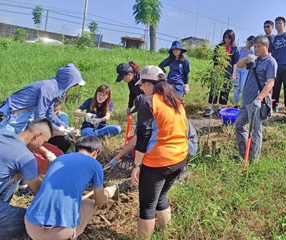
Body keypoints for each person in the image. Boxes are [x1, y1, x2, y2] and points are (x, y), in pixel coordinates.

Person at [130, 65, 188, 239]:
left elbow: (143, 136)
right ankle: (166, 233)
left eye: (142, 85)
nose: (141, 88)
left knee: (147, 205)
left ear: (149, 84)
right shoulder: (175, 100)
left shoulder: (149, 102)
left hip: (159, 161)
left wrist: (137, 165)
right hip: (180, 158)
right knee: (160, 196)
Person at [24, 136, 118, 240]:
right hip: (60, 234)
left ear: (74, 150)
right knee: (89, 204)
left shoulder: (59, 159)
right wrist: (107, 192)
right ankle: (71, 235)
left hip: (31, 226)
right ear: (96, 152)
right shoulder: (95, 165)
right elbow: (99, 202)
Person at [0, 118, 53, 239]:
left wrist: (21, 171)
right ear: (38, 135)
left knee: (16, 177)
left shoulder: (3, 132)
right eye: (43, 141)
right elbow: (39, 192)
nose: (41, 146)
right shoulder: (26, 157)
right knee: (30, 222)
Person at [0, 63, 85, 134]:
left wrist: (67, 127)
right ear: (67, 81)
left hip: (22, 115)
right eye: (74, 84)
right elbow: (39, 116)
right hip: (12, 115)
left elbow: (50, 113)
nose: (73, 86)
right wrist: (58, 129)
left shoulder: (54, 87)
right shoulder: (49, 88)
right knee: (5, 143)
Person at [235, 35, 277, 160]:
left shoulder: (270, 62)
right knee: (239, 125)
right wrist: (248, 57)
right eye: (255, 46)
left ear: (267, 46)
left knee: (255, 131)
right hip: (246, 100)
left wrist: (259, 98)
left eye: (259, 47)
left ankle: (253, 159)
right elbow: (238, 65)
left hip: (256, 101)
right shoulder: (255, 59)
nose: (256, 49)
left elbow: (270, 83)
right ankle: (244, 154)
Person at [204, 29, 239, 117]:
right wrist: (218, 67)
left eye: (229, 38)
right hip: (217, 71)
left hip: (228, 71)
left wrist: (233, 74)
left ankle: (220, 108)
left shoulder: (234, 49)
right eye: (225, 37)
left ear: (232, 39)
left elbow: (235, 63)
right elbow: (215, 59)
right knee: (214, 89)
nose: (227, 39)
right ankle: (210, 107)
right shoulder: (219, 47)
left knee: (225, 89)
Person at [233, 35, 255, 108]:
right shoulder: (239, 49)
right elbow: (235, 61)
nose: (250, 44)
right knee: (236, 86)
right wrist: (233, 72)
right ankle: (236, 104)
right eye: (249, 42)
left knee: (243, 87)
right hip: (237, 68)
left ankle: (243, 103)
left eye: (252, 43)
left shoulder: (252, 53)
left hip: (245, 70)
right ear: (247, 41)